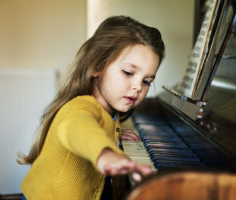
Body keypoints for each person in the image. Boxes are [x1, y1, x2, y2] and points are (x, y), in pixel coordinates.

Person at [18, 15, 165, 200]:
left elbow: (97, 126)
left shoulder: (110, 110)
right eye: (128, 73)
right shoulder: (80, 107)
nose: (138, 87)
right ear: (97, 66)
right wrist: (105, 152)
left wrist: (113, 135)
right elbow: (78, 128)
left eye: (146, 81)